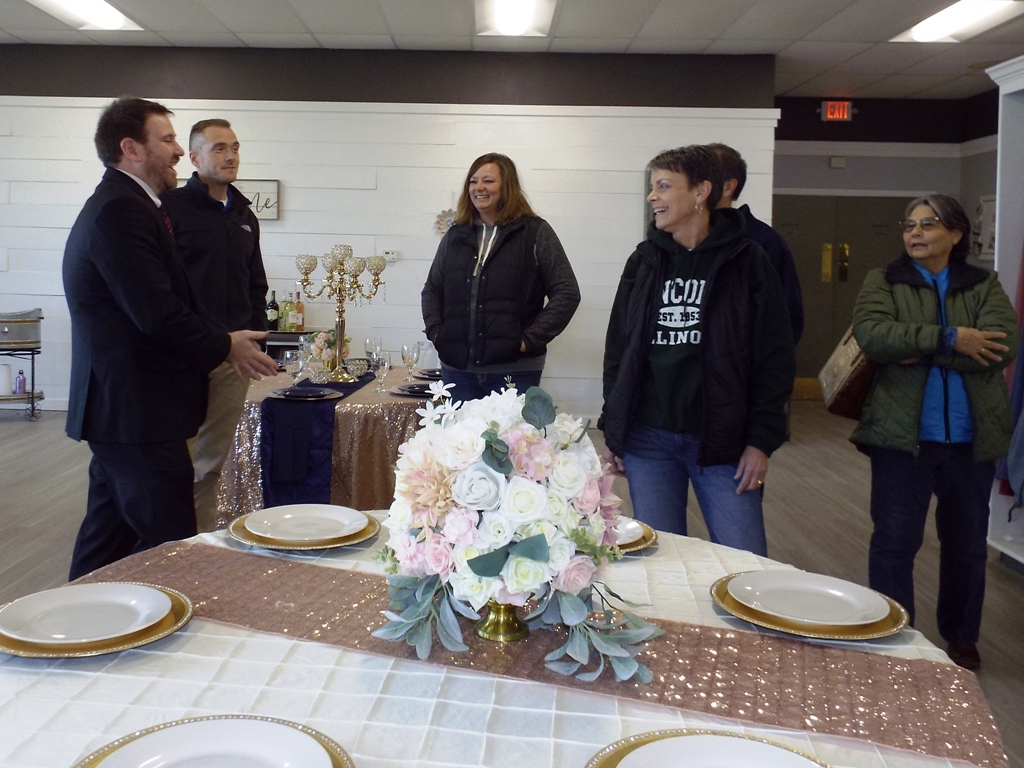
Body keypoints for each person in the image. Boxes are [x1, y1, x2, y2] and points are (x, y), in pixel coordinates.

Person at [63, 97, 277, 580]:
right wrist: (225, 345)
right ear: (131, 149)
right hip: (134, 407)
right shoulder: (121, 210)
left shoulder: (132, 205)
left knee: (107, 537)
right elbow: (156, 312)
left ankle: (70, 614)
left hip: (129, 408)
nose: (178, 151)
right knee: (172, 544)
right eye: (167, 140)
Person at [599, 145, 795, 556]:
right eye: (652, 187)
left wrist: (761, 440)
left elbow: (775, 358)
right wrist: (616, 430)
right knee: (658, 557)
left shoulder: (748, 261)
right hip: (649, 439)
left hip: (724, 440)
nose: (652, 196)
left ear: (701, 191)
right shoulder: (645, 261)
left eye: (664, 186)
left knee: (744, 561)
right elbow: (619, 350)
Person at [851, 194, 1016, 671]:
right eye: (909, 225)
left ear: (956, 234)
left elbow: (1000, 347)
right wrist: (952, 339)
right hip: (902, 439)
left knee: (966, 547)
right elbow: (874, 336)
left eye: (928, 224)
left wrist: (916, 349)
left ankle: (962, 638)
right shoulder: (883, 280)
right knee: (894, 542)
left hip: (970, 440)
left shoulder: (983, 284)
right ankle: (893, 633)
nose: (915, 232)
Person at [162, 119, 269, 532]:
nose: (230, 156)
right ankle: (170, 543)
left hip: (233, 359)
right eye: (219, 148)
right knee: (177, 461)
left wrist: (255, 335)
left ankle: (200, 541)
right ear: (194, 158)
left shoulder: (244, 215)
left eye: (235, 148)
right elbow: (164, 286)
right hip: (185, 355)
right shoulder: (170, 208)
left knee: (211, 464)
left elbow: (255, 282)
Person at [421, 153, 580, 402]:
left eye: (488, 181)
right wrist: (437, 333)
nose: (479, 187)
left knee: (510, 431)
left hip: (516, 371)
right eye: (473, 181)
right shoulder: (455, 236)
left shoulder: (535, 232)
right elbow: (432, 290)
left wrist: (527, 341)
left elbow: (567, 292)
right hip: (458, 371)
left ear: (507, 186)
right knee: (459, 431)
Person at [709, 143, 804, 343]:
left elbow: (786, 319)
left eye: (702, 179)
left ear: (728, 187)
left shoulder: (764, 241)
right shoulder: (678, 238)